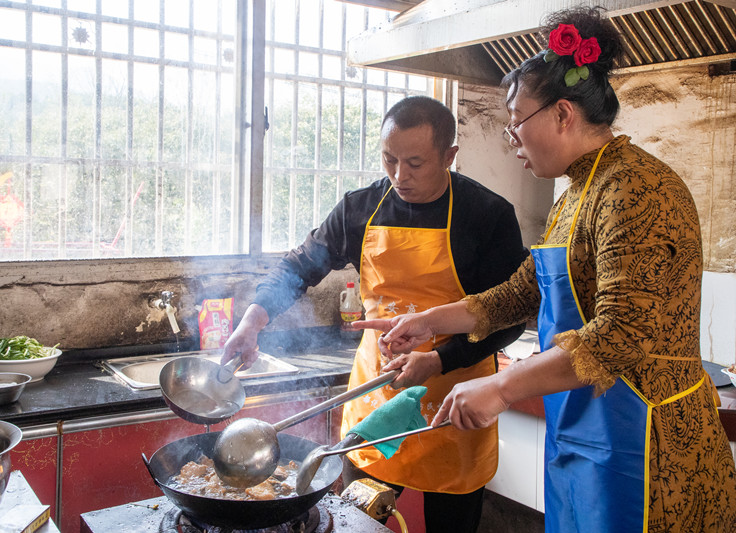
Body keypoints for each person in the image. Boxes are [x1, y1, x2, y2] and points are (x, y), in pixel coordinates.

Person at [356, 7, 736, 533]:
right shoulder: (578, 192)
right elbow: (518, 294)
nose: (513, 142)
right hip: (588, 428)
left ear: (562, 114)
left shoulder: (635, 189)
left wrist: (502, 386)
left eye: (517, 125)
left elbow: (620, 335)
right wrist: (428, 323)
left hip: (650, 443)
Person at [222, 95, 528, 532]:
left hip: (455, 396)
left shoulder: (488, 216)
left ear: (449, 156)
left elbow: (507, 317)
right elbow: (298, 266)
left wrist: (439, 359)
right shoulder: (360, 208)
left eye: (416, 163)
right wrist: (254, 320)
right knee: (357, 524)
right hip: (377, 393)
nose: (400, 176)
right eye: (390, 159)